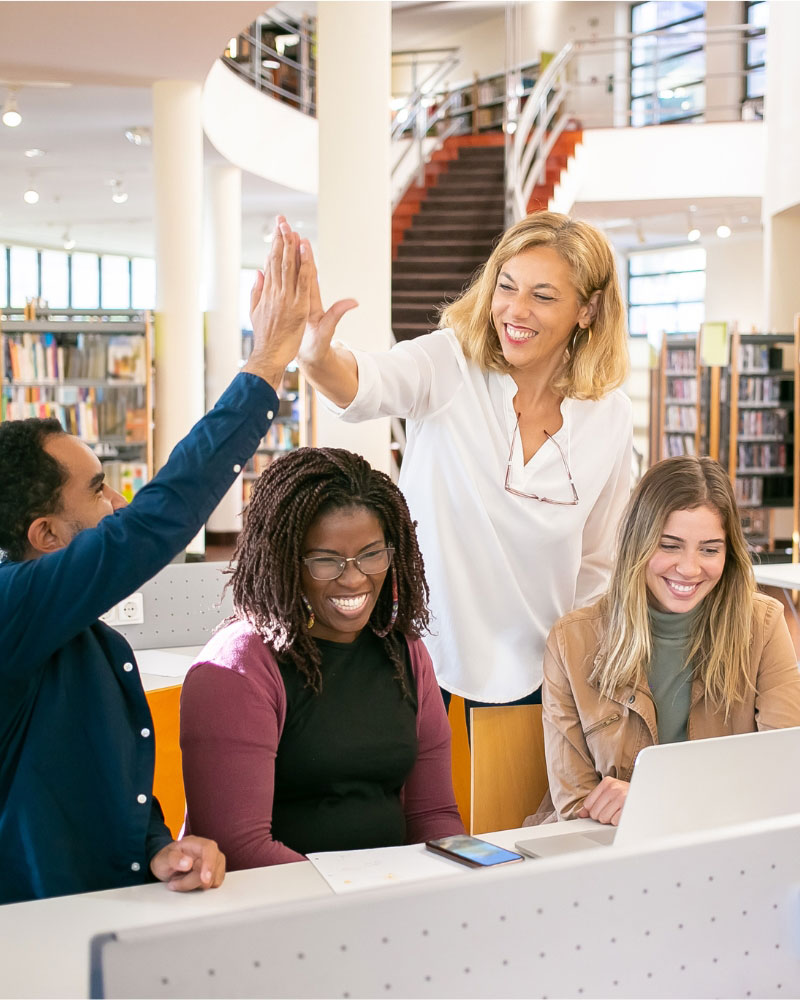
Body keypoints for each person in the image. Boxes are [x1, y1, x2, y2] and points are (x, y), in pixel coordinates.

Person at [0, 218, 312, 904]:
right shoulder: (9, 609)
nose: (117, 503)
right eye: (98, 489)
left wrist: (162, 853)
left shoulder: (93, 646)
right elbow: (156, 519)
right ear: (47, 534)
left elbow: (113, 809)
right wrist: (263, 368)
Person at [296, 211, 633, 718]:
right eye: (507, 286)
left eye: (543, 296)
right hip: (423, 663)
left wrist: (578, 668)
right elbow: (371, 382)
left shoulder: (609, 413)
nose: (515, 311)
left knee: (518, 801)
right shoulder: (450, 363)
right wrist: (319, 359)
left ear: (587, 310)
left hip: (543, 677)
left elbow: (599, 561)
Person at [180, 447, 465, 867]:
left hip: (388, 899)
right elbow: (239, 848)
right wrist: (359, 899)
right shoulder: (237, 667)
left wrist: (472, 873)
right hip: (284, 910)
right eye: (326, 561)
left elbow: (433, 815)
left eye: (371, 554)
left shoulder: (404, 651)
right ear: (284, 560)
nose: (354, 578)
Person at [540, 455, 800, 826]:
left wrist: (654, 800)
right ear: (638, 544)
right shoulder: (571, 641)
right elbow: (575, 806)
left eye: (710, 549)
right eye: (670, 545)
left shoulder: (764, 625)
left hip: (723, 843)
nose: (690, 568)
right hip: (608, 849)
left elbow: (784, 773)